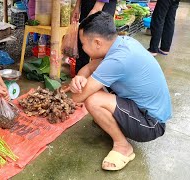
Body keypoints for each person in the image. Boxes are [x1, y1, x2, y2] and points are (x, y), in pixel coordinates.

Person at [69, 12, 172, 171]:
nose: (82, 47)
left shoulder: (118, 60)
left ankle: (123, 146)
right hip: (143, 109)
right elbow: (89, 67)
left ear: (97, 42)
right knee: (95, 86)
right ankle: (112, 121)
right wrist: (79, 78)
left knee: (92, 100)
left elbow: (77, 97)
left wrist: (77, 87)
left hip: (151, 124)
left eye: (82, 43)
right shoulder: (122, 42)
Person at [71, 0, 117, 74]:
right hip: (87, 4)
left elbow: (98, 7)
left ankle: (99, 78)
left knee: (100, 47)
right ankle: (80, 77)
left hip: (104, 5)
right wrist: (77, 6)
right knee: (83, 42)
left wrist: (97, 7)